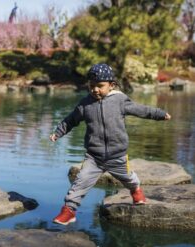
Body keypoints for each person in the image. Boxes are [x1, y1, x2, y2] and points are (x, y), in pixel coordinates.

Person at [50, 63, 171, 225]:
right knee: (80, 182)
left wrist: (160, 114)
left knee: (128, 178)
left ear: (111, 85)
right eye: (92, 86)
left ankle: (136, 190)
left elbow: (141, 110)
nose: (95, 89)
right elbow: (70, 120)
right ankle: (69, 210)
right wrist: (58, 133)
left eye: (100, 86)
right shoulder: (85, 104)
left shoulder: (119, 101)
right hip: (94, 157)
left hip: (117, 155)